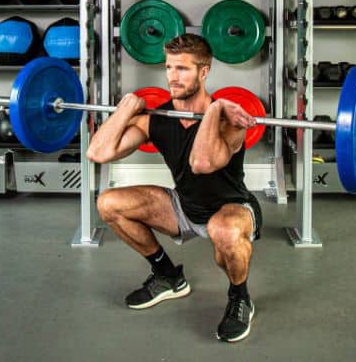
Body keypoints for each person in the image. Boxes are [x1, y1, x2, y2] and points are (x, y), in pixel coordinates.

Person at [87, 33, 263, 343]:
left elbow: (202, 162)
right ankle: (168, 277)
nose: (172, 77)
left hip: (231, 209)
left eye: (182, 69)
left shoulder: (231, 121)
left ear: (203, 71)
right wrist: (126, 108)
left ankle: (240, 297)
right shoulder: (158, 118)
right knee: (108, 203)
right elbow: (98, 153)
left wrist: (214, 108)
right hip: (183, 206)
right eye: (169, 67)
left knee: (224, 234)